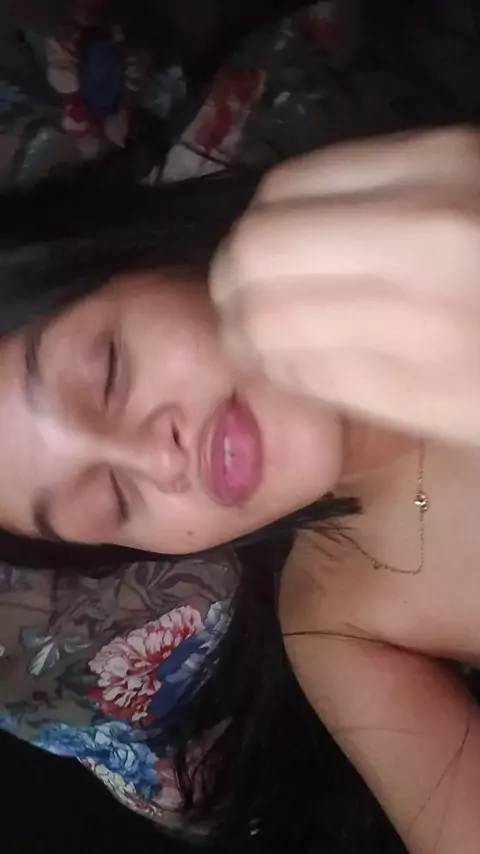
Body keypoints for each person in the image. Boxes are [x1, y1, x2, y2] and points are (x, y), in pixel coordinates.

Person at [1, 126, 480, 854]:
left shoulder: (439, 201)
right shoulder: (336, 628)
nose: (155, 459)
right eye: (111, 502)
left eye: (108, 372)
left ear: (157, 257)